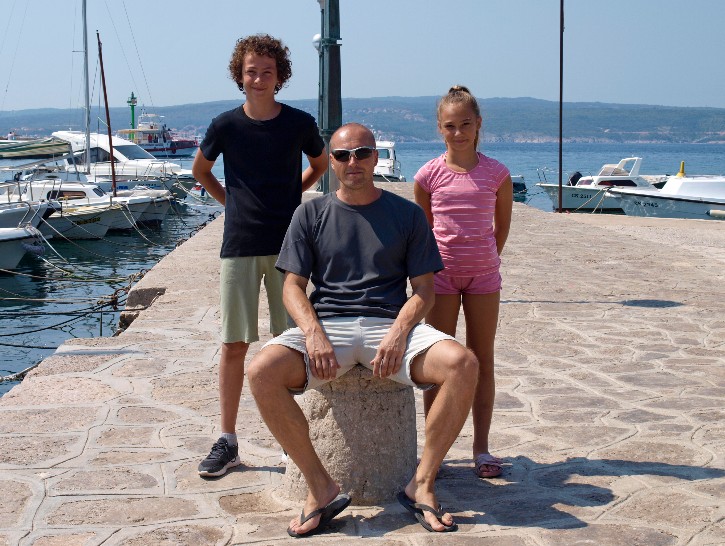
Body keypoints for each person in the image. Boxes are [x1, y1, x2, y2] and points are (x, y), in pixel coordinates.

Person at [247, 123, 479, 537]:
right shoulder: (310, 213)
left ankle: (422, 483)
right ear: (331, 162)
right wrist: (313, 333)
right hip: (328, 326)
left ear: (375, 158)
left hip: (389, 325)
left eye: (362, 153)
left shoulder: (406, 214)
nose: (352, 162)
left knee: (463, 364)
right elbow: (292, 287)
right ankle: (320, 487)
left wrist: (399, 331)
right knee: (261, 371)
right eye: (342, 155)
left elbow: (424, 290)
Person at [192, 34, 328, 478]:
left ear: (279, 76)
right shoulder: (225, 125)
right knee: (234, 344)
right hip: (240, 245)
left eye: (267, 71)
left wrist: (294, 194)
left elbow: (321, 163)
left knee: (290, 344)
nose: (258, 79)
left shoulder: (299, 123)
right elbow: (200, 170)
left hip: (289, 246)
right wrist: (231, 203)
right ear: (240, 74)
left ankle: (293, 441)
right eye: (251, 71)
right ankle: (227, 440)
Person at [414, 85, 513, 479]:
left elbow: (501, 227)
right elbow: (424, 232)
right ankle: (433, 452)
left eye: (466, 125)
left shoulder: (497, 174)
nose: (458, 133)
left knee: (482, 359)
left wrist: (485, 257)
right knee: (438, 362)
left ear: (478, 125)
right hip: (440, 279)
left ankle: (481, 448)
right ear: (440, 128)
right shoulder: (427, 176)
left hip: (484, 278)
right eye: (450, 126)